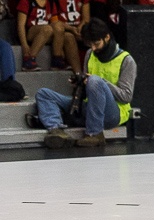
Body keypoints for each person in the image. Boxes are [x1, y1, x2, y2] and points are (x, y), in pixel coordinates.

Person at [37, 18, 136, 148]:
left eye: (96, 43)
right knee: (43, 94)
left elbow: (126, 96)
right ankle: (56, 130)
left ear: (107, 37)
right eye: (90, 44)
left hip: (113, 113)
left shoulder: (126, 60)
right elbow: (88, 86)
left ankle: (94, 133)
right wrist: (80, 83)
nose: (93, 48)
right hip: (89, 106)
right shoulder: (90, 54)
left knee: (94, 80)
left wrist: (101, 82)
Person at [16, 0, 57, 72]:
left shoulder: (51, 2)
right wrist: (24, 45)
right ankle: (29, 59)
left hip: (45, 34)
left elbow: (55, 23)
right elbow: (20, 25)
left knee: (67, 36)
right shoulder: (26, 0)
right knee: (47, 28)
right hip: (30, 33)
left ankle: (58, 60)